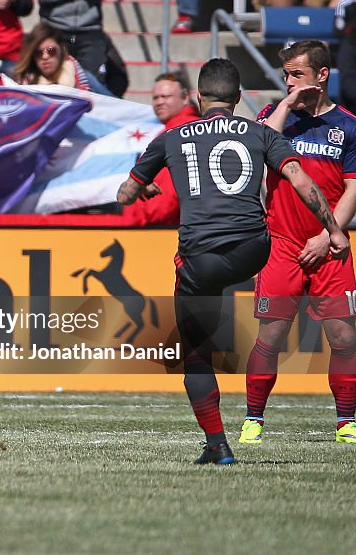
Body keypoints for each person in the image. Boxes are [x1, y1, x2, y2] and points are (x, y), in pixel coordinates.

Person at [118, 57, 349, 465]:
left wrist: (145, 185)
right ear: (239, 98)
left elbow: (124, 196)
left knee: (195, 353)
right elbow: (300, 180)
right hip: (255, 249)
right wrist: (332, 230)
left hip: (202, 259)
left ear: (196, 97)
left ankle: (218, 445)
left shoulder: (174, 135)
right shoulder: (259, 131)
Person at [241, 40, 356, 446]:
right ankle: (253, 418)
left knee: (344, 337)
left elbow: (351, 191)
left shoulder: (349, 126)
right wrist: (287, 104)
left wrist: (328, 237)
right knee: (271, 336)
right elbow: (259, 149)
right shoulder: (276, 117)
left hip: (332, 245)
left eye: (296, 74)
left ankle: (346, 422)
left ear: (322, 75)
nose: (288, 81)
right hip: (282, 244)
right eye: (285, 74)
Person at [121, 72, 200, 225]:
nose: (159, 102)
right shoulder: (186, 129)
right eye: (155, 98)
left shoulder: (178, 134)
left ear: (185, 98)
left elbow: (162, 205)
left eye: (166, 97)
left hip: (166, 229)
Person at [12, 22, 108, 94]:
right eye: (39, 53)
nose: (45, 56)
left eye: (51, 50)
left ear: (61, 50)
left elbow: (114, 105)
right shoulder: (21, 84)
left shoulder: (83, 77)